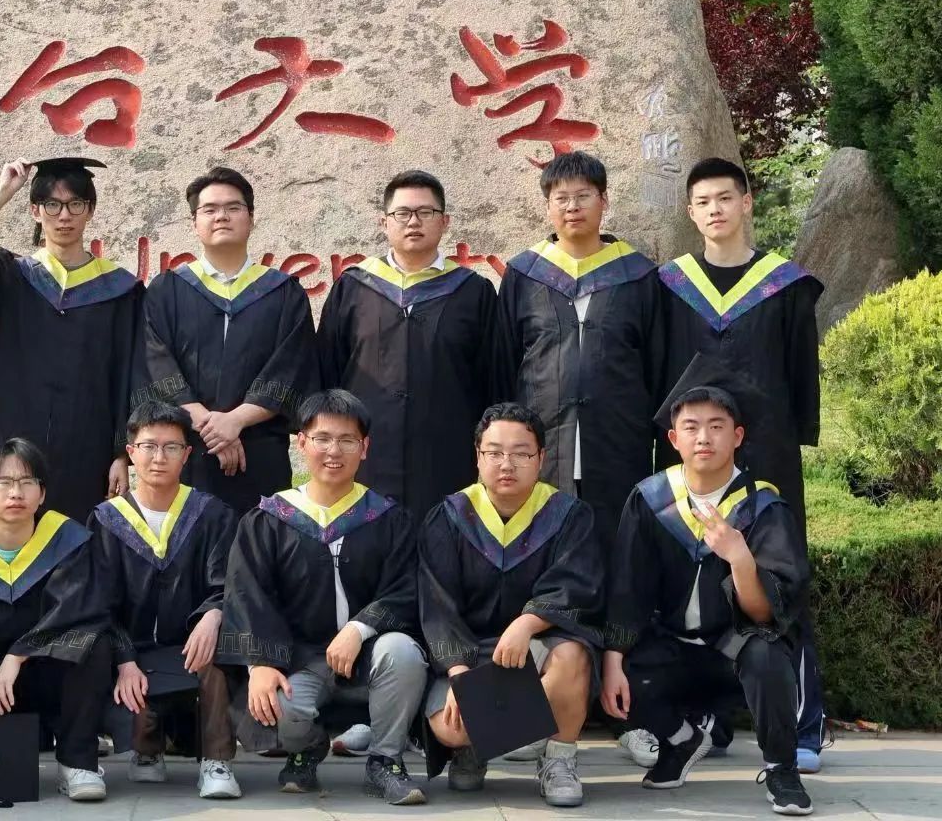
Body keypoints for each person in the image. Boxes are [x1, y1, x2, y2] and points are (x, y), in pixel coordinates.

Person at [659, 156, 828, 770]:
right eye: (704, 201)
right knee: (696, 580)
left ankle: (803, 727)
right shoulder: (669, 285)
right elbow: (658, 370)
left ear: (747, 202)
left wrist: (791, 441)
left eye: (725, 198)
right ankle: (711, 717)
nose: (715, 210)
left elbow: (801, 373)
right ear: (691, 211)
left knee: (780, 580)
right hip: (694, 456)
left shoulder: (783, 284)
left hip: (768, 451)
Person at [600, 384, 814, 816]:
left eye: (716, 427)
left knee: (768, 655)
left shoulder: (762, 505)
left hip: (735, 652)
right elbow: (627, 589)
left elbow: (765, 614)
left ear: (737, 436)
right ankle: (682, 740)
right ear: (673, 439)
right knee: (606, 664)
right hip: (672, 648)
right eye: (691, 427)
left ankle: (782, 769)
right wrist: (612, 660)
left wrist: (739, 556)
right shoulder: (650, 499)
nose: (703, 438)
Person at [218, 389, 431, 806]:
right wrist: (260, 663)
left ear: (364, 447)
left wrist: (359, 628)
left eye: (347, 440)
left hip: (369, 653)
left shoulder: (387, 518)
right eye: (322, 439)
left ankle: (385, 761)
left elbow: (407, 588)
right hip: (298, 657)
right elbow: (247, 594)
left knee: (403, 651)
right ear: (301, 443)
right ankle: (307, 747)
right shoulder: (269, 519)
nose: (334, 451)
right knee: (277, 706)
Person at [0, 158, 145, 528]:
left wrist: (120, 454)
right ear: (36, 211)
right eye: (52, 205)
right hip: (11, 433)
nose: (64, 215)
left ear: (90, 210)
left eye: (75, 204)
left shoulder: (119, 290)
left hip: (87, 443)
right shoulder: (13, 275)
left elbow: (127, 374)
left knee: (76, 540)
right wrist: (2, 193)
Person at [419, 402, 603, 808]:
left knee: (574, 655)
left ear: (541, 458)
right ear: (478, 456)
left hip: (537, 650)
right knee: (451, 729)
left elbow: (575, 585)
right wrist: (458, 672)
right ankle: (473, 746)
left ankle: (558, 757)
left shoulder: (568, 516)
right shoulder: (449, 517)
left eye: (521, 453)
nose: (507, 464)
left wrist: (527, 623)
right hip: (469, 652)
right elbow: (437, 604)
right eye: (495, 452)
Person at [0, 438, 119, 803]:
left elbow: (77, 609)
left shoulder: (68, 542)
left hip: (49, 675)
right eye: (4, 482)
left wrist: (19, 654)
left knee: (94, 645)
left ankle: (78, 763)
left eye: (27, 482)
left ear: (41, 494)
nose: (16, 492)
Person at [317, 169, 511, 518]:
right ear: (384, 222)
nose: (413, 222)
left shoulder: (473, 292)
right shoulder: (354, 288)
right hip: (366, 455)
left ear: (445, 222)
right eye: (402, 213)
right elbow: (327, 373)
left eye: (426, 212)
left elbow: (493, 380)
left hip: (447, 457)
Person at [499, 151, 665, 557]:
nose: (572, 207)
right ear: (548, 206)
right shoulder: (524, 275)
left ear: (603, 201)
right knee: (542, 543)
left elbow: (657, 364)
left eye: (583, 196)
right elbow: (503, 361)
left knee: (618, 544)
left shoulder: (638, 275)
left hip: (618, 437)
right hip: (541, 435)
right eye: (561, 198)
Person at [87, 400, 242, 799]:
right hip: (131, 649)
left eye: (171, 447)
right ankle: (146, 750)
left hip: (191, 645)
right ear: (131, 452)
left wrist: (213, 615)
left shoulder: (210, 515)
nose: (159, 457)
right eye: (149, 446)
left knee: (221, 640)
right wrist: (124, 658)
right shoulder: (107, 521)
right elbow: (99, 602)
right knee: (98, 651)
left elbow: (229, 584)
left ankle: (216, 761)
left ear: (187, 455)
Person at [140, 166, 317, 514]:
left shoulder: (283, 293)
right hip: (186, 450)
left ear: (251, 218)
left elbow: (293, 366)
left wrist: (236, 421)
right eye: (209, 209)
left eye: (233, 207)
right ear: (194, 223)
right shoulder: (166, 291)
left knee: (259, 541)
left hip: (260, 453)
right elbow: (154, 361)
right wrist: (211, 426)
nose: (221, 216)